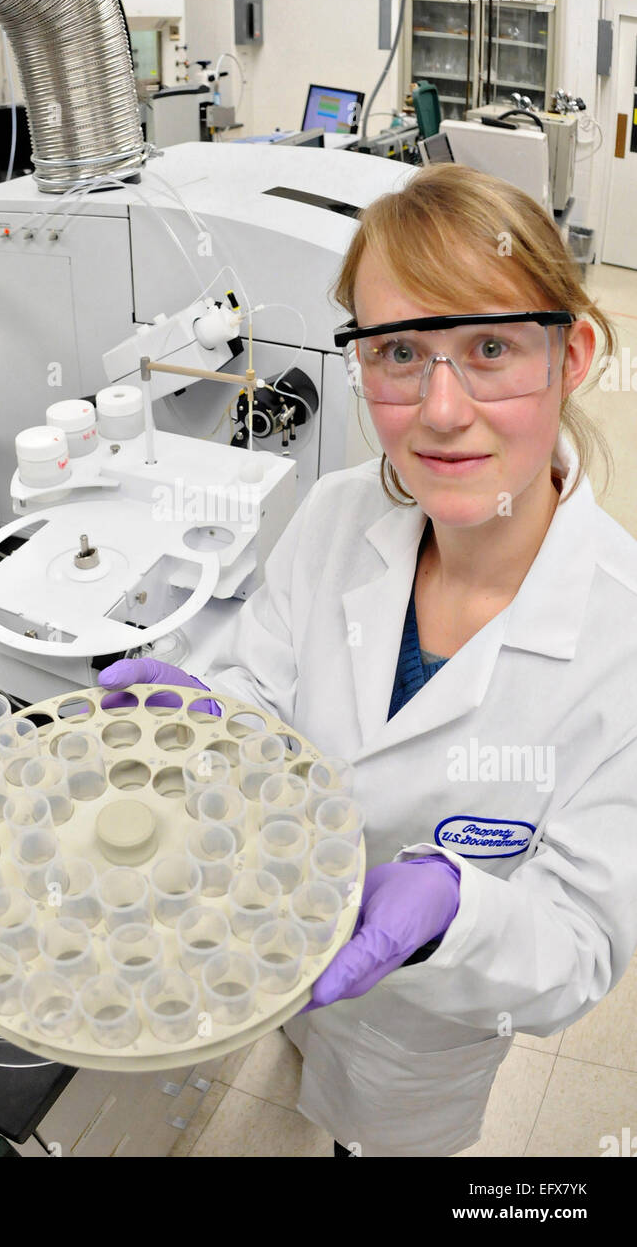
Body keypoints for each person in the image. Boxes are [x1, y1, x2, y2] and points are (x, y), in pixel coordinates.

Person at [98, 164, 637, 1157]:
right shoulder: (343, 510)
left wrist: (450, 917)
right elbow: (269, 677)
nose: (438, 409)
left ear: (573, 355)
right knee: (303, 1067)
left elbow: (577, 951)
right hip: (286, 955)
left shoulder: (621, 642)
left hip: (424, 1039)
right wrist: (220, 719)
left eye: (488, 346)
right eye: (396, 351)